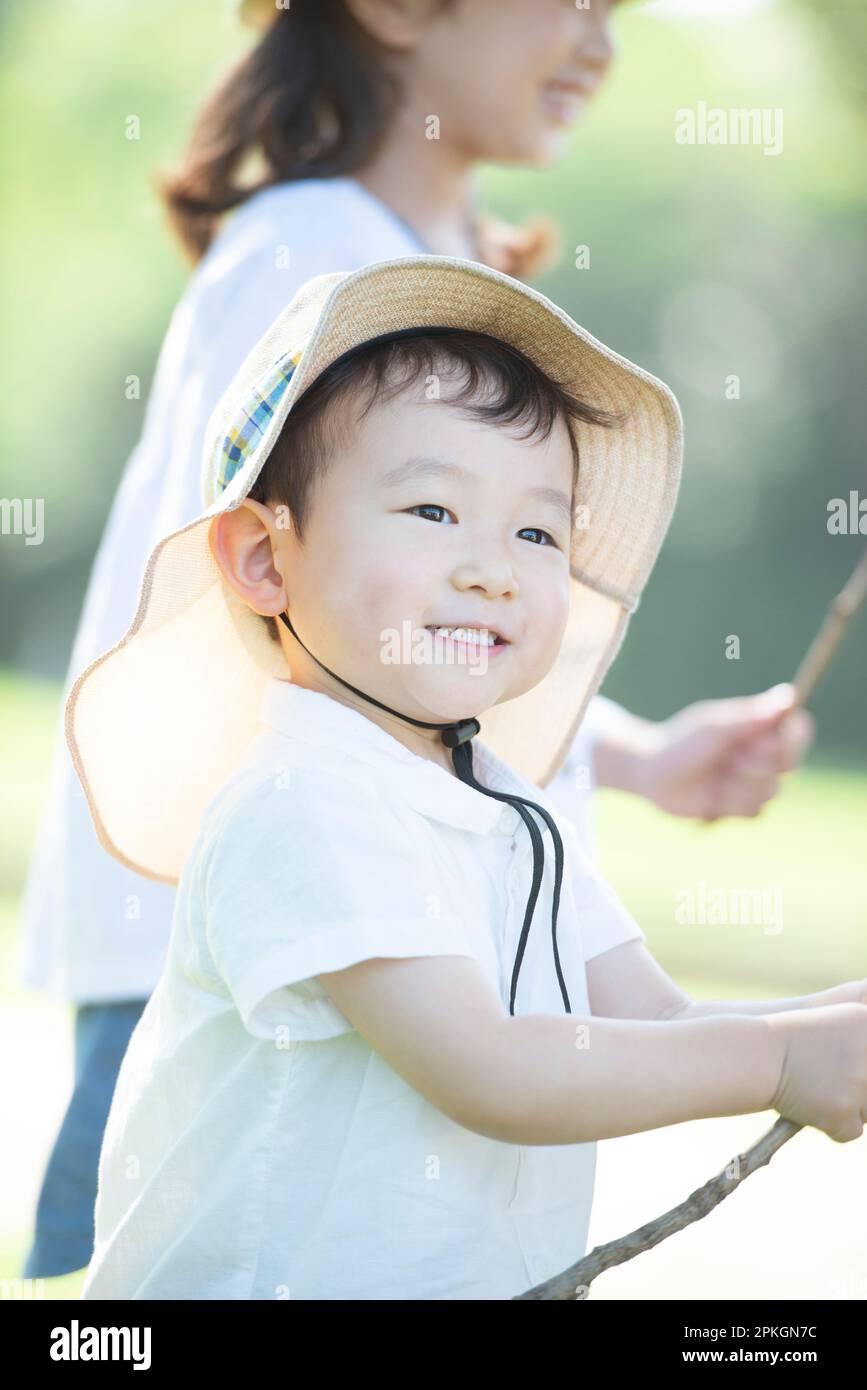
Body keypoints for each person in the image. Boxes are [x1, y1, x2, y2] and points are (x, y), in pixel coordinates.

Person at [18, 0, 811, 1281]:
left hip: (418, 931)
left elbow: (417, 632)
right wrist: (781, 1057)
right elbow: (297, 617)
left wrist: (634, 754)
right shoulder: (314, 259)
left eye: (542, 535)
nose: (604, 37)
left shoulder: (449, 260)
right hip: (279, 960)